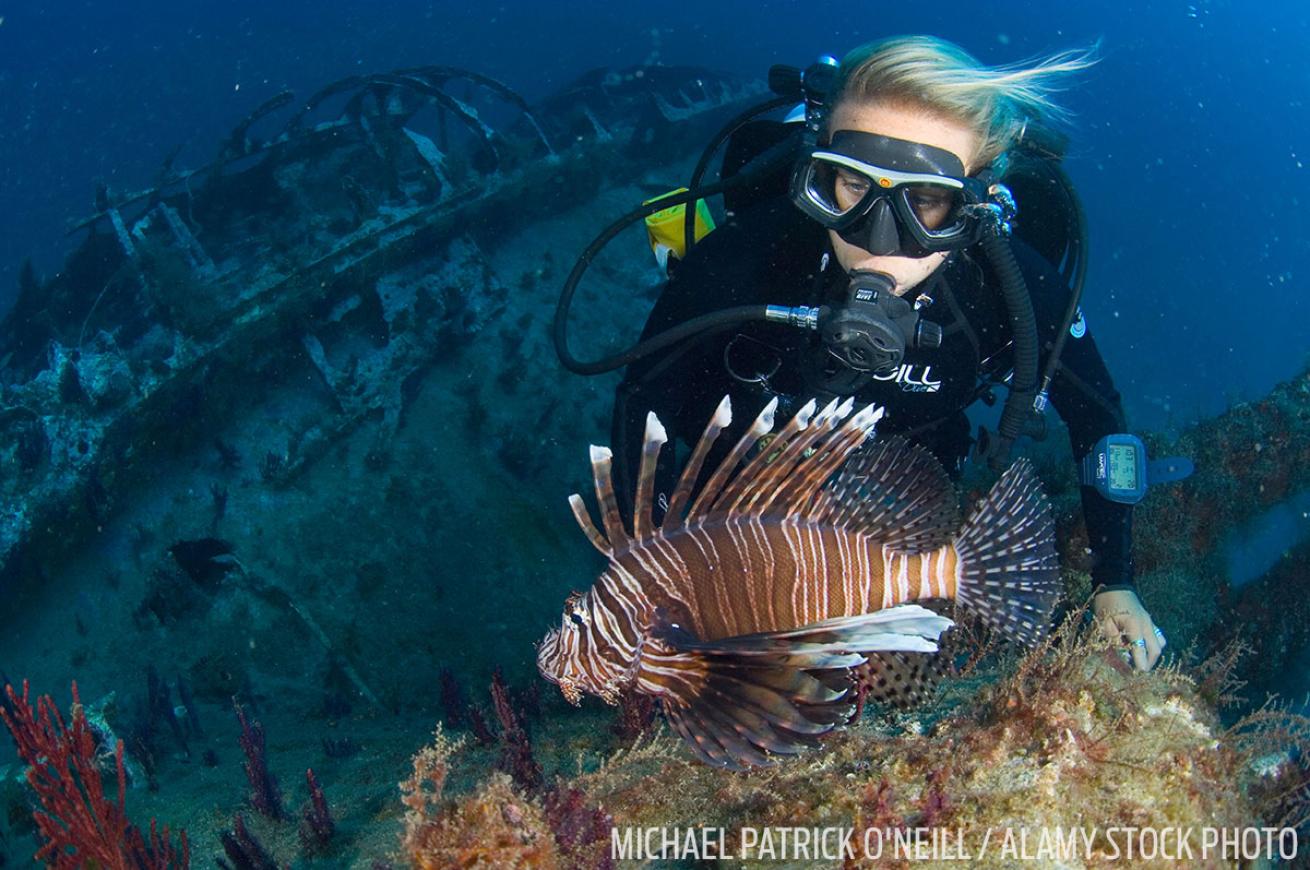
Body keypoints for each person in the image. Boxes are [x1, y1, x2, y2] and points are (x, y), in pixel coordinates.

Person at [610, 36, 1167, 671]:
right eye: (851, 184)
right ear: (816, 174)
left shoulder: (1018, 289)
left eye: (926, 201)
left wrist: (1114, 581)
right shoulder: (744, 254)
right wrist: (646, 560)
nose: (880, 239)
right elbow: (643, 393)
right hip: (730, 514)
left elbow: (1100, 422)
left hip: (903, 512)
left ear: (975, 201)